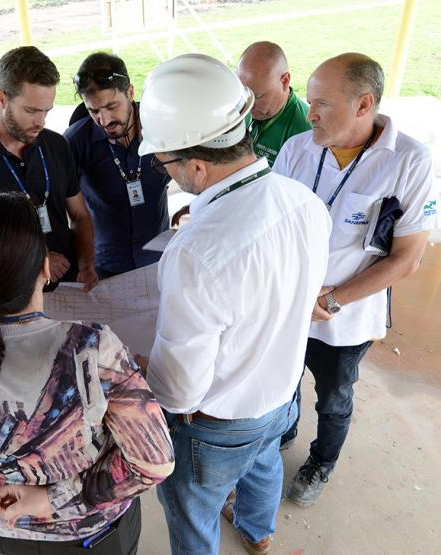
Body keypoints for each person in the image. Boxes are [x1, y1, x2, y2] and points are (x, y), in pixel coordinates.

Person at [136, 54, 331, 555]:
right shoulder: (304, 202)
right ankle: (258, 531)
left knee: (192, 508)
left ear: (196, 165)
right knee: (265, 462)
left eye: (164, 162)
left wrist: (141, 368)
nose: (165, 172)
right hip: (281, 393)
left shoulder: (196, 252)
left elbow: (179, 392)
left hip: (219, 425)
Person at [0, 190, 174, 554]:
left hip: (1, 525)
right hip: (90, 536)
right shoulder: (93, 347)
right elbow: (153, 462)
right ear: (45, 268)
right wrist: (51, 497)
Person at [273, 53, 441, 507]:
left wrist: (335, 300)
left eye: (321, 104)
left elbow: (407, 259)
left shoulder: (408, 161)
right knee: (283, 381)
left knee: (332, 396)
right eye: (309, 102)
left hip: (343, 317)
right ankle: (283, 432)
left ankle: (321, 463)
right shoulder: (297, 149)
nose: (309, 114)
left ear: (364, 104)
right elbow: (271, 223)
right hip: (289, 306)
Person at [0, 46, 98, 291]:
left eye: (47, 111)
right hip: (9, 301)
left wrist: (87, 265)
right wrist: (38, 262)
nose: (41, 122)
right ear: (1, 98)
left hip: (68, 288)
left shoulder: (56, 145)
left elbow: (79, 216)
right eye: (31, 111)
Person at [170, 41, 309, 226]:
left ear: (284, 80)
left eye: (258, 96)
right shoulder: (243, 108)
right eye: (244, 94)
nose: (249, 105)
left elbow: (296, 205)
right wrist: (203, 203)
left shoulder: (305, 134)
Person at [64, 52, 170, 278]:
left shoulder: (161, 124)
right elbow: (56, 202)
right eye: (94, 110)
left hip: (159, 259)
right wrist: (82, 262)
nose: (105, 120)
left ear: (130, 92)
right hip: (104, 266)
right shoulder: (75, 142)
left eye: (112, 106)